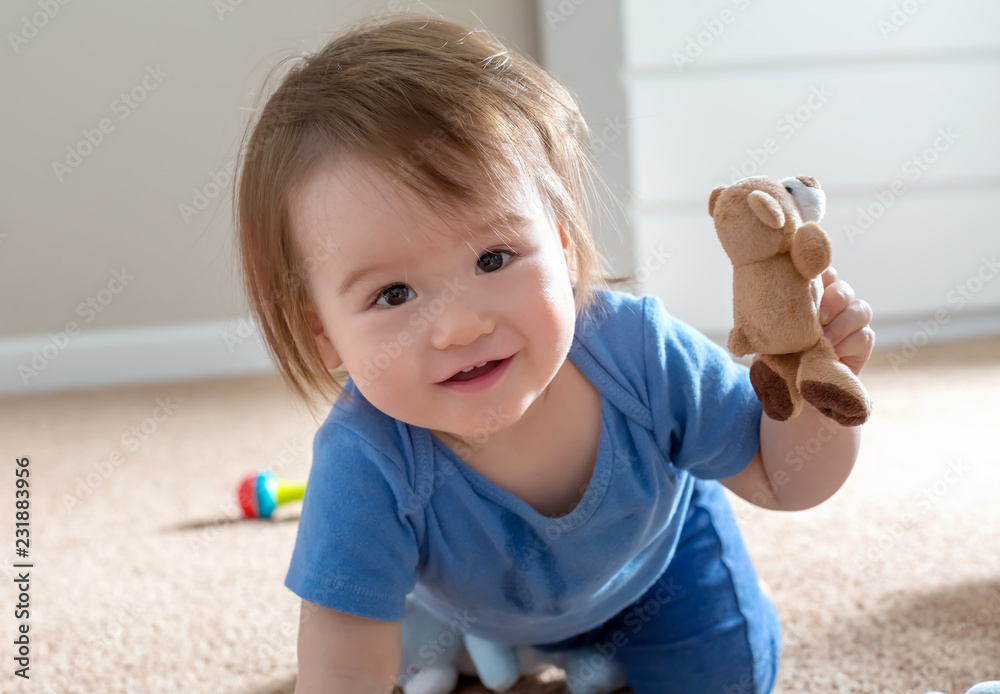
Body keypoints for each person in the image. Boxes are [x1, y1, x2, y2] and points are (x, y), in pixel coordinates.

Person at [233, 13, 875, 694]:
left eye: (494, 257)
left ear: (564, 245)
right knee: (388, 632)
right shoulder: (365, 460)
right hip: (476, 609)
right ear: (325, 335)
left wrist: (814, 398)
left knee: (728, 677)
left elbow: (789, 479)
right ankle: (454, 632)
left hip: (660, 570)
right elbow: (340, 669)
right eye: (394, 294)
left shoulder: (640, 354)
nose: (460, 327)